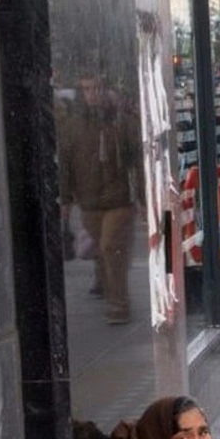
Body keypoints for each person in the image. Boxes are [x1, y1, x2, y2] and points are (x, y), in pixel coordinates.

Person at [58, 73, 139, 325]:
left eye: (95, 88)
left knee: (110, 247)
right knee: (104, 253)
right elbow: (66, 165)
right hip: (89, 201)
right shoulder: (72, 126)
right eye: (86, 89)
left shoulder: (120, 122)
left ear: (103, 90)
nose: (91, 94)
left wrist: (145, 200)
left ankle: (118, 305)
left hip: (119, 199)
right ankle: (110, 290)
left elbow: (136, 160)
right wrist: (65, 200)